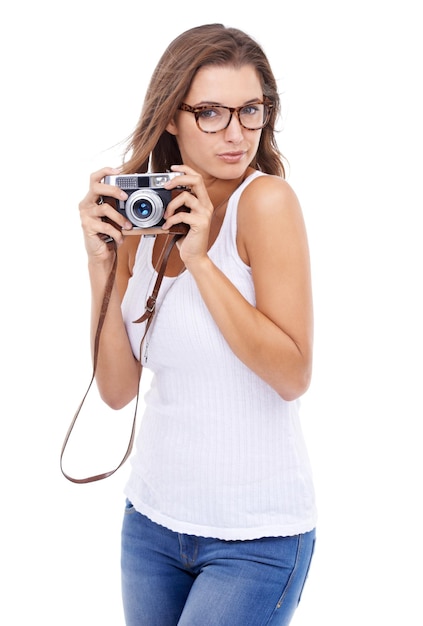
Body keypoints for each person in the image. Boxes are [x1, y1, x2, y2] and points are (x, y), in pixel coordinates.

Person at [79, 23, 317, 626]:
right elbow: (115, 390)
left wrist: (200, 260)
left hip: (254, 542)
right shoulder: (145, 217)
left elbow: (292, 374)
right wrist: (101, 264)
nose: (236, 133)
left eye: (250, 111)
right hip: (152, 526)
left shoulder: (264, 203)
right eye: (210, 113)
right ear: (170, 118)